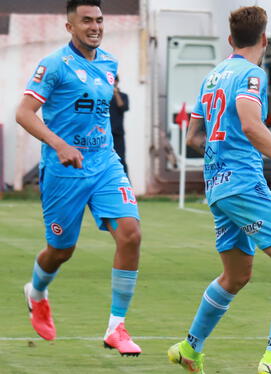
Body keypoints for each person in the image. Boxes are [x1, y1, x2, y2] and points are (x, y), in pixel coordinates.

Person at [167, 6, 271, 374]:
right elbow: (249, 123)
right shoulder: (251, 74)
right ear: (264, 39)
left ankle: (189, 348)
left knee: (237, 275)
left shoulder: (212, 76)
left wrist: (220, 157)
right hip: (243, 184)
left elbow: (194, 137)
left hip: (218, 186)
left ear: (230, 40)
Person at [16, 0, 142, 356]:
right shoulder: (53, 65)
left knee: (131, 234)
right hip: (63, 171)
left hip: (104, 164)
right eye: (86, 20)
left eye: (99, 20)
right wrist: (59, 145)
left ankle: (116, 327)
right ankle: (37, 292)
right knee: (61, 251)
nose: (95, 27)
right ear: (69, 26)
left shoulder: (109, 64)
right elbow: (24, 114)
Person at [110, 74, 129, 174]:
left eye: (114, 81)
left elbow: (123, 107)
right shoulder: (104, 96)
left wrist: (116, 94)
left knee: (121, 158)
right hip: (105, 133)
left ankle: (126, 185)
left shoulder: (123, 96)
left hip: (118, 132)